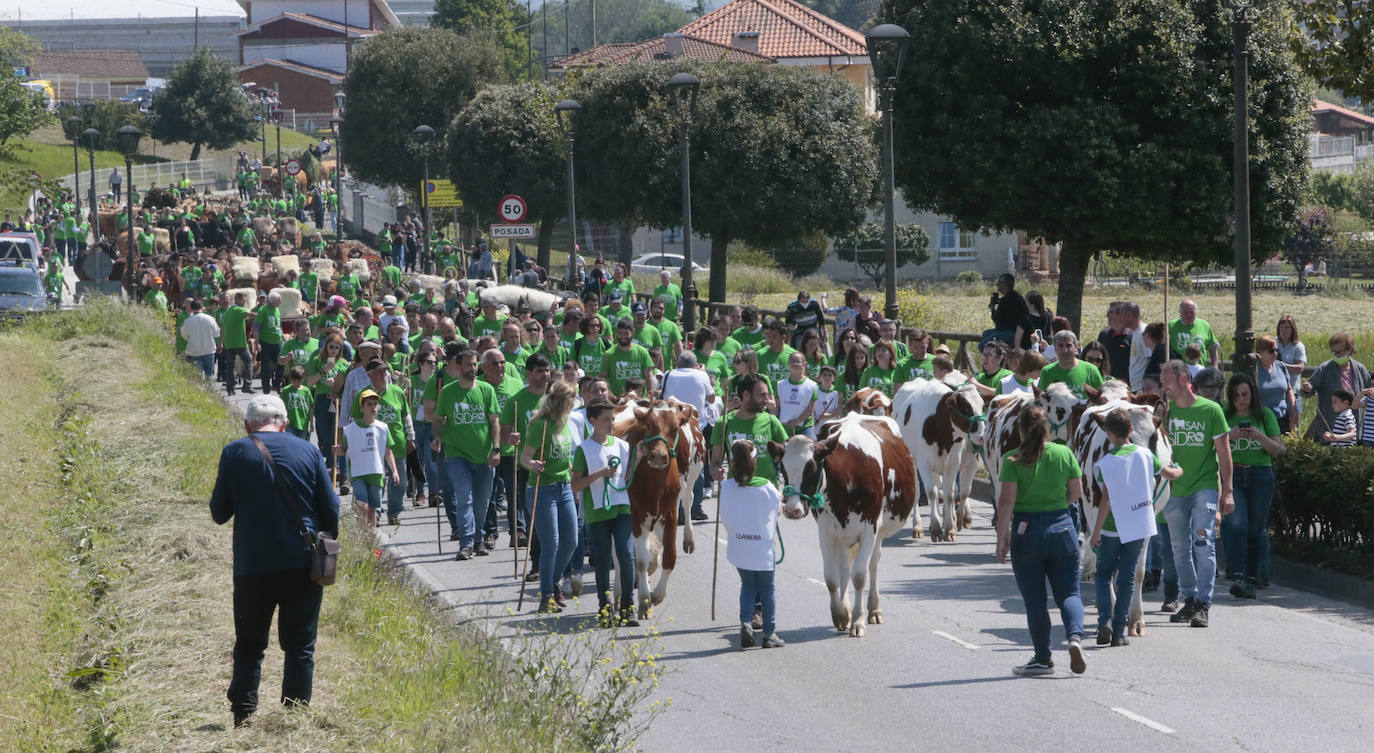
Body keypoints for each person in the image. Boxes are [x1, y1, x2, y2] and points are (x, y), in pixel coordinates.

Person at [209, 395, 339, 728]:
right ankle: (294, 715)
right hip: (302, 562)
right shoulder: (308, 450)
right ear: (283, 422)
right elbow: (331, 509)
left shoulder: (235, 452)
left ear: (248, 424)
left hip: (253, 564)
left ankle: (243, 713)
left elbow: (219, 513)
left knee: (250, 643)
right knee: (300, 645)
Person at [994, 405, 1087, 676]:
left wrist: (1002, 537)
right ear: (1047, 428)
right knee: (1070, 593)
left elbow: (1006, 501)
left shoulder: (1012, 460)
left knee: (1035, 601)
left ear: (1020, 429)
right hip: (1062, 528)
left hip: (1027, 530)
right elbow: (1076, 491)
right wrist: (1057, 507)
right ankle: (1074, 638)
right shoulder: (1064, 452)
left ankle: (1043, 658)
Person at [1088, 409, 1183, 647]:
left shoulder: (1104, 464)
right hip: (1138, 526)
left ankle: (1104, 623)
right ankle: (1119, 632)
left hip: (1111, 527)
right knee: (1128, 578)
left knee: (1103, 575)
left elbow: (1105, 501)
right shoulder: (1146, 455)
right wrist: (1179, 468)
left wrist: (1096, 531)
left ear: (1108, 433)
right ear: (1132, 430)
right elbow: (1171, 474)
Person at [1159, 360, 1232, 628]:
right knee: (1180, 548)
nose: (1162, 384)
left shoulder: (1211, 410)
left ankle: (1204, 603)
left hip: (1204, 487)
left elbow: (1224, 454)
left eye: (1165, 379)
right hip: (1174, 489)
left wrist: (1228, 492)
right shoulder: (1165, 411)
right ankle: (1188, 600)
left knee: (1203, 545)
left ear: (1183, 379)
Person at [571, 399, 639, 627]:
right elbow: (575, 485)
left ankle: (628, 606)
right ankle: (604, 605)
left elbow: (627, 478)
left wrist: (637, 463)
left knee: (626, 555)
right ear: (593, 421)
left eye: (613, 419)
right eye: (607, 419)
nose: (612, 423)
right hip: (598, 511)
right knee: (601, 560)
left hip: (622, 507)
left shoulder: (622, 446)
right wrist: (599, 474)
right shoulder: (584, 450)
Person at [431, 347, 501, 560]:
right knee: (465, 498)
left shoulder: (486, 390)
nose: (473, 368)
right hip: (456, 455)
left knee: (482, 502)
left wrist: (496, 449)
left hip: (484, 455)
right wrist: (437, 435)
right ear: (458, 366)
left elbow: (494, 421)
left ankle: (478, 540)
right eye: (468, 364)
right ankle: (466, 543)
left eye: (475, 364)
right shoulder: (448, 392)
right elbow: (437, 419)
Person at [1220, 373, 1284, 600]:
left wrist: (1258, 436)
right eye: (1236, 395)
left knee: (1256, 529)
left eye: (1245, 394)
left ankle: (1250, 579)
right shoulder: (1224, 415)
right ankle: (1236, 574)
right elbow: (1212, 446)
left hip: (1260, 475)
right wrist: (1231, 436)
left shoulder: (1264, 414)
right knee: (1236, 524)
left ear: (1252, 393)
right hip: (1233, 475)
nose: (1241, 399)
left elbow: (1278, 449)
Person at [520, 381, 580, 613]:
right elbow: (525, 456)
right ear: (559, 401)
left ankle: (553, 581)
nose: (573, 404)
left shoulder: (566, 423)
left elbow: (568, 455)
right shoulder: (540, 425)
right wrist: (532, 464)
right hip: (542, 489)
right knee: (551, 543)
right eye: (570, 400)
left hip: (564, 487)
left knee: (572, 541)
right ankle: (546, 596)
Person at [720, 440, 784, 649]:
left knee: (747, 585)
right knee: (767, 588)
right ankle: (769, 633)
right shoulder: (767, 487)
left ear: (732, 461)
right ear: (754, 461)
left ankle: (746, 622)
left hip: (739, 546)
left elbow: (725, 516)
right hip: (762, 548)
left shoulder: (725, 486)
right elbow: (778, 511)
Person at [335, 387, 399, 528]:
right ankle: (361, 537)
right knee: (362, 506)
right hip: (358, 473)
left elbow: (388, 451)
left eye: (375, 404)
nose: (373, 407)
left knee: (373, 511)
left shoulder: (383, 428)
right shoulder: (350, 429)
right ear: (362, 407)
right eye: (369, 404)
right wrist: (338, 450)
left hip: (376, 472)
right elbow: (344, 449)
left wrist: (394, 471)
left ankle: (370, 542)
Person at [1301, 333, 1370, 443]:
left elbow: (1370, 391)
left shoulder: (1360, 369)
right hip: (1330, 428)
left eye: (1340, 352)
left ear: (1349, 351)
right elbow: (1308, 390)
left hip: (1354, 427)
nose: (1336, 355)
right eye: (1334, 352)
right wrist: (1307, 388)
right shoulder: (1324, 369)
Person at [1038, 330, 1104, 400]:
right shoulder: (1047, 371)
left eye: (1068, 345)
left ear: (1076, 347)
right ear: (1055, 348)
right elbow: (1040, 400)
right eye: (1060, 345)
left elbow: (1102, 397)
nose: (1064, 350)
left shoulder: (1091, 370)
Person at [1254, 335, 1297, 433]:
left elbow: (1289, 389)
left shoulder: (1281, 366)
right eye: (1271, 351)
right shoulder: (1254, 371)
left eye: (1277, 350)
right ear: (1260, 352)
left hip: (1283, 418)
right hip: (1263, 420)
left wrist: (1294, 411)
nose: (1275, 354)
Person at [777, 352, 818, 438]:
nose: (795, 363)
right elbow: (776, 407)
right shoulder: (780, 385)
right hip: (784, 427)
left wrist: (797, 421)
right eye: (792, 361)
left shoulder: (812, 385)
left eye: (798, 361)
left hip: (804, 427)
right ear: (788, 364)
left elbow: (810, 409)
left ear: (804, 364)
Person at [983, 273, 1029, 349]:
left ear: (1005, 285)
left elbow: (997, 320)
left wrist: (992, 308)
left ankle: (993, 358)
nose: (997, 284)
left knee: (982, 346)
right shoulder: (1017, 296)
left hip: (1010, 332)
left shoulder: (1005, 300)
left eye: (999, 283)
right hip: (1017, 330)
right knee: (985, 333)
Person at [1169, 299, 1220, 367]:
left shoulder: (1204, 325)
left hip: (1199, 372)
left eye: (1191, 312)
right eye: (1185, 312)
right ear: (1179, 312)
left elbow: (1213, 348)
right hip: (1177, 372)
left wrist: (1215, 367)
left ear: (1196, 312)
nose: (1189, 315)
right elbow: (1163, 348)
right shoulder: (1171, 326)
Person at [1276, 316, 1306, 431]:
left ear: (1293, 329)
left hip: (1293, 390)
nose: (1284, 330)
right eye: (1282, 327)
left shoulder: (1298, 346)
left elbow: (1300, 368)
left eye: (1287, 327)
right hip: (1276, 391)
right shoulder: (1274, 343)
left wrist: (1281, 365)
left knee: (1293, 423)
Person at [180, 298, 221, 380]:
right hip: (209, 350)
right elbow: (217, 334)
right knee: (209, 376)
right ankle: (210, 391)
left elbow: (184, 335)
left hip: (194, 352)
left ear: (191, 309)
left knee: (196, 377)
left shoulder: (188, 321)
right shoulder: (210, 319)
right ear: (202, 307)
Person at [1097, 301, 1132, 379]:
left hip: (1127, 383)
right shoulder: (1104, 334)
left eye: (1111, 312)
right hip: (1107, 381)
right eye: (1108, 312)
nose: (1107, 316)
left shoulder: (1132, 336)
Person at [281, 366, 314, 441]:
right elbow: (281, 406)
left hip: (303, 423)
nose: (296, 383)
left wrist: (311, 422)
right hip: (290, 423)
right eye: (293, 380)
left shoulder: (306, 391)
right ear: (290, 379)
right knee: (291, 442)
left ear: (303, 379)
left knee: (301, 443)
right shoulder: (286, 390)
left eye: (298, 381)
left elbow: (310, 408)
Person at [813, 365, 841, 432]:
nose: (827, 378)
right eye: (824, 375)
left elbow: (839, 410)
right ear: (819, 377)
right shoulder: (814, 390)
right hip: (817, 426)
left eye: (829, 375)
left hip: (832, 426)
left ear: (834, 378)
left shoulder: (837, 392)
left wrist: (828, 415)